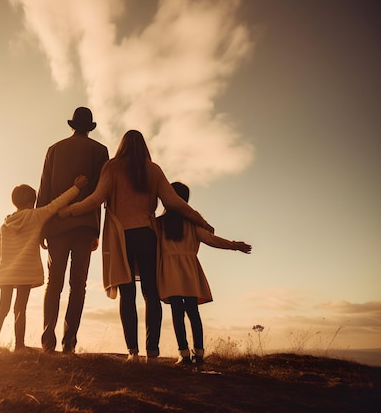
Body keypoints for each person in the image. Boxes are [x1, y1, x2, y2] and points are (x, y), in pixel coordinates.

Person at [59, 130, 214, 363]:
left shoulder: (112, 167)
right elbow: (174, 202)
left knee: (127, 294)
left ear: (122, 145)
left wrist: (69, 210)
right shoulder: (153, 169)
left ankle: (133, 352)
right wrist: (201, 221)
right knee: (151, 294)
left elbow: (95, 199)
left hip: (122, 238)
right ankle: (152, 352)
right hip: (147, 236)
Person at [37, 107, 109, 354]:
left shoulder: (54, 149)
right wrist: (96, 231)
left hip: (56, 226)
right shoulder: (100, 152)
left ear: (72, 125)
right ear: (90, 128)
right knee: (78, 285)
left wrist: (41, 227)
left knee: (53, 284)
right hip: (84, 226)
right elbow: (101, 193)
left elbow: (44, 189)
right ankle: (70, 343)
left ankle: (48, 341)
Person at [157, 182, 252, 367]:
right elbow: (211, 239)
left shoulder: (159, 224)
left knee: (177, 312)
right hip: (190, 270)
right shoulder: (192, 223)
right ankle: (199, 355)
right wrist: (234, 245)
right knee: (193, 311)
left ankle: (183, 355)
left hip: (169, 271)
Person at [0, 175, 88, 351]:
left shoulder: (5, 224)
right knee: (20, 308)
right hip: (24, 272)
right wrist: (76, 188)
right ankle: (19, 346)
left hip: (6, 272)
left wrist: (0, 271)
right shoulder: (35, 216)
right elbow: (56, 204)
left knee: (3, 307)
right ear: (32, 201)